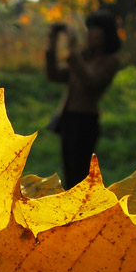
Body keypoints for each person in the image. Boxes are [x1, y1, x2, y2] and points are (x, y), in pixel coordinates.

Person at [45, 11, 122, 189]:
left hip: (85, 121)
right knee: (69, 172)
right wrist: (52, 42)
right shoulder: (82, 57)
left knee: (81, 175)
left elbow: (91, 82)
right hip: (69, 119)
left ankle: (83, 212)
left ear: (105, 36)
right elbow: (54, 74)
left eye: (94, 31)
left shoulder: (109, 61)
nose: (88, 35)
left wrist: (72, 50)